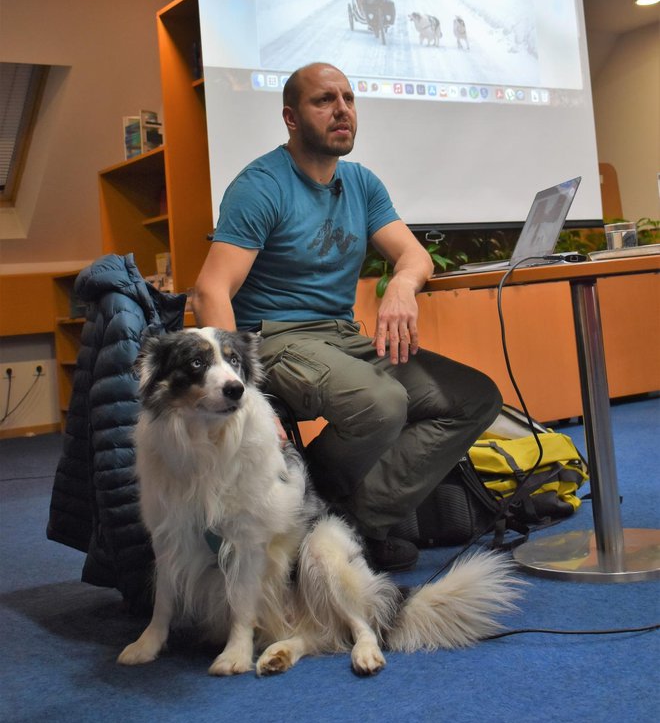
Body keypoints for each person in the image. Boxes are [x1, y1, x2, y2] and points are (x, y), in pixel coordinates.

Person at [192, 62, 502, 571]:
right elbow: (211, 291)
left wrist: (402, 283)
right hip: (276, 337)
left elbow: (414, 254)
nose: (342, 110)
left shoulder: (360, 183)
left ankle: (352, 524)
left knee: (472, 398)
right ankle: (315, 511)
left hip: (340, 336)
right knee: (381, 403)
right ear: (291, 118)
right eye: (324, 101)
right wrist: (241, 389)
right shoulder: (261, 185)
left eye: (349, 98)